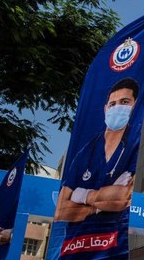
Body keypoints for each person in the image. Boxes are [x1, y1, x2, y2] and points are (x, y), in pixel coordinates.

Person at [54, 77, 139, 223]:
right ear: (106, 109)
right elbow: (60, 211)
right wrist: (98, 207)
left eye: (124, 102)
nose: (117, 108)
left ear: (134, 105)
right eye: (112, 104)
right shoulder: (85, 153)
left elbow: (123, 198)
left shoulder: (136, 145)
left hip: (114, 237)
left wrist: (81, 195)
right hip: (77, 241)